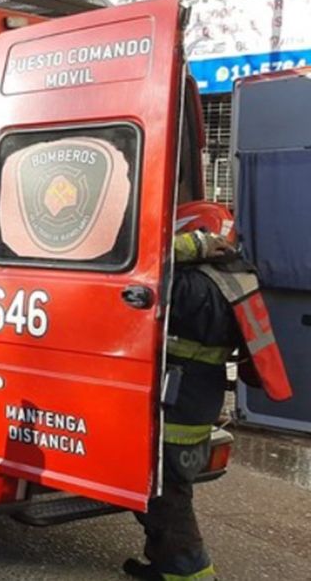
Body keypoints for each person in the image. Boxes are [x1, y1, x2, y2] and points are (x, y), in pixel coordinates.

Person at [126, 201, 291, 581]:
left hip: (173, 402)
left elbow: (137, 261)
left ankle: (189, 572)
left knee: (166, 495)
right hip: (200, 399)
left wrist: (188, 249)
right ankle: (165, 563)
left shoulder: (188, 285)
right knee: (171, 489)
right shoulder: (238, 278)